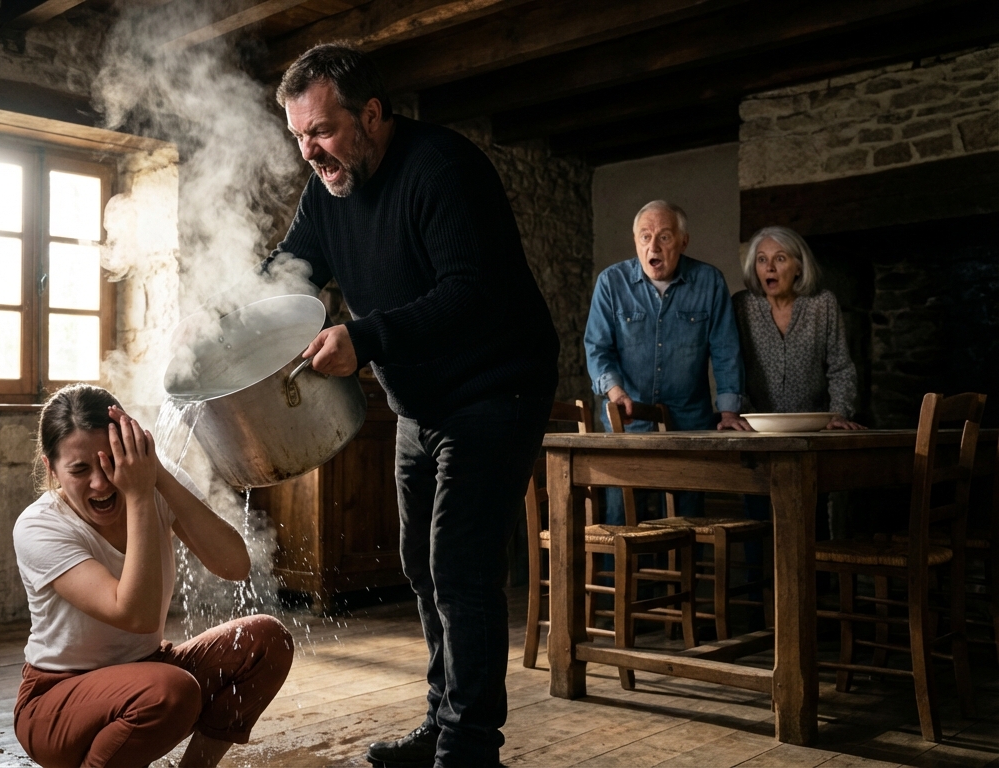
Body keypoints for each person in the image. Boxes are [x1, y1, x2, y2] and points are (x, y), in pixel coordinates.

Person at [270, 44, 560, 768]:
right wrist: (228, 317)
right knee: (421, 565)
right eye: (299, 136)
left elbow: (469, 295)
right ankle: (441, 720)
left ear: (371, 114)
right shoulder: (326, 192)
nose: (309, 152)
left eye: (322, 131)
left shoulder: (443, 169)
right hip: (419, 402)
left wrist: (365, 338)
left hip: (496, 387)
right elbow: (288, 272)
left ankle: (468, 749)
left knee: (460, 565)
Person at [12, 383, 293, 768]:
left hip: (147, 670)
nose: (100, 482)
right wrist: (140, 496)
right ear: (51, 469)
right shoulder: (38, 526)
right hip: (56, 703)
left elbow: (234, 566)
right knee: (170, 691)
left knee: (266, 639)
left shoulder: (150, 478)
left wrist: (157, 473)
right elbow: (137, 616)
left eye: (110, 461)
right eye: (79, 470)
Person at [584, 200, 749, 522]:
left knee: (686, 524)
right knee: (622, 522)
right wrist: (615, 392)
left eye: (664, 237)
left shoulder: (709, 281)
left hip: (689, 424)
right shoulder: (611, 282)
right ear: (635, 241)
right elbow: (597, 348)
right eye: (645, 237)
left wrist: (729, 411)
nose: (653, 246)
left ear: (683, 241)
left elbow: (726, 349)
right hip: (629, 422)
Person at [733, 225, 862, 429]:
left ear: (799, 267)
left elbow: (841, 368)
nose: (769, 267)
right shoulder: (742, 305)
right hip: (757, 426)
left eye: (780, 258)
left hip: (814, 426)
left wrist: (839, 415)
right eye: (762, 259)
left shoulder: (822, 304)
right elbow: (731, 367)